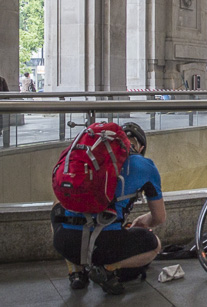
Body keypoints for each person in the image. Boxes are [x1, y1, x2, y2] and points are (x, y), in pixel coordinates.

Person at [52, 123, 165, 295]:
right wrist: (144, 220)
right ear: (141, 147)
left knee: (57, 207)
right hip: (106, 245)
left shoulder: (89, 159)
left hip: (65, 242)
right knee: (153, 244)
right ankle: (107, 269)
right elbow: (159, 217)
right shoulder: (145, 166)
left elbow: (60, 196)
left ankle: (76, 271)